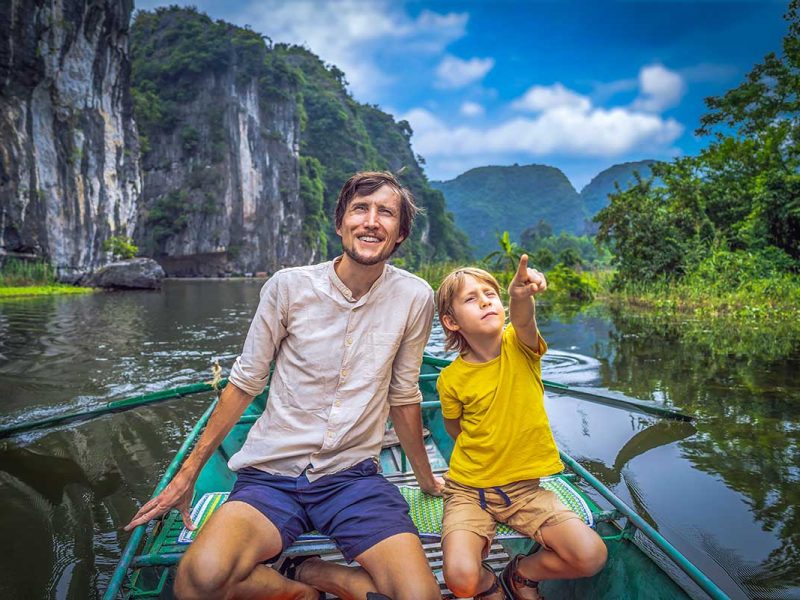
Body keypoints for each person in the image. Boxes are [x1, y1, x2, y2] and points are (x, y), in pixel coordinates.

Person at [125, 171, 444, 600]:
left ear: (401, 232)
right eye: (360, 209)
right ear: (340, 223)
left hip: (353, 479)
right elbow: (244, 384)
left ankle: (316, 572)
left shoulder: (415, 297)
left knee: (420, 595)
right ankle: (299, 590)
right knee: (198, 579)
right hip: (271, 476)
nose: (371, 221)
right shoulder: (288, 287)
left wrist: (425, 479)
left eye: (385, 212)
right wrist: (187, 475)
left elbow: (404, 395)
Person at [435, 259, 607, 600]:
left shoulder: (521, 347)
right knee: (460, 579)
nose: (486, 301)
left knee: (592, 555)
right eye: (471, 299)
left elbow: (524, 318)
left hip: (526, 492)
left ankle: (521, 573)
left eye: (491, 294)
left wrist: (519, 295)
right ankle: (487, 586)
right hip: (470, 492)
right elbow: (455, 428)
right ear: (451, 322)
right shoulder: (450, 379)